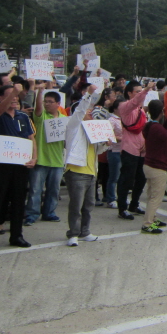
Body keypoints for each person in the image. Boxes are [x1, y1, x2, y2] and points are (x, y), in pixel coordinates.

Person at [0, 84, 37, 253]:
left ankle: (16, 235)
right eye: (10, 95)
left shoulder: (23, 116)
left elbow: (31, 138)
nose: (15, 98)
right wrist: (14, 92)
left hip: (20, 164)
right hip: (1, 164)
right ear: (0, 98)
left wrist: (34, 157)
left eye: (16, 95)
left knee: (18, 201)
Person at [61, 85, 102, 246]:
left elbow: (97, 150)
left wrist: (105, 143)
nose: (90, 113)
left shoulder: (93, 130)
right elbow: (79, 111)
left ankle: (85, 232)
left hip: (91, 172)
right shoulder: (73, 126)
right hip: (76, 171)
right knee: (76, 206)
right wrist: (88, 95)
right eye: (88, 111)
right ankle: (73, 234)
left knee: (88, 205)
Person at [116, 80, 157, 220]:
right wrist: (146, 90)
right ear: (129, 93)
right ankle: (122, 207)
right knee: (126, 179)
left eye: (141, 91)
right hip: (130, 148)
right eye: (137, 91)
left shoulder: (141, 110)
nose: (141, 94)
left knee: (141, 178)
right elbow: (134, 102)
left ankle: (134, 204)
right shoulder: (125, 107)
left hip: (142, 149)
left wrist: (147, 142)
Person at [25, 87, 65, 226]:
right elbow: (38, 109)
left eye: (50, 102)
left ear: (58, 104)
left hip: (57, 160)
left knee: (54, 190)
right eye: (45, 101)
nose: (47, 104)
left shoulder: (64, 119)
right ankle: (32, 214)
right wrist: (39, 92)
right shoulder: (41, 116)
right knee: (35, 190)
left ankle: (49, 213)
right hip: (40, 160)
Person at [141, 100, 167, 234]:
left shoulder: (150, 125)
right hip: (157, 167)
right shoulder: (156, 128)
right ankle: (147, 223)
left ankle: (153, 218)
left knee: (151, 195)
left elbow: (163, 132)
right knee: (156, 197)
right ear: (161, 112)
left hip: (149, 165)